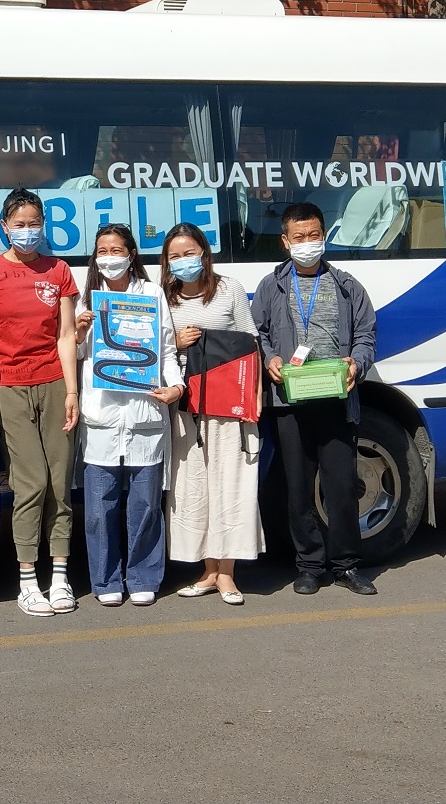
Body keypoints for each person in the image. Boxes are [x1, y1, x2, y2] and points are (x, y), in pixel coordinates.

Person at [252, 202, 380, 598]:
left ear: (324, 236)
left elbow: (366, 337)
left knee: (341, 487)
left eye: (314, 236)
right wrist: (268, 358)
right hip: (291, 401)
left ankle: (346, 565)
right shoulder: (271, 286)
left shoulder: (347, 286)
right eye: (299, 237)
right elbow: (257, 334)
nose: (308, 243)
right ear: (285, 241)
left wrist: (356, 364)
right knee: (298, 488)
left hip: (336, 398)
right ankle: (309, 565)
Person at [0, 188, 81, 617]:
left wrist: (72, 392)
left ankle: (61, 578)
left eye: (35, 223)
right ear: (4, 227)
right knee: (30, 484)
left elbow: (65, 336)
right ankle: (28, 581)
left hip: (54, 382)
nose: (28, 231)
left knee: (59, 484)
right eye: (20, 224)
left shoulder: (58, 270)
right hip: (9, 386)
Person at [73, 224, 183, 607]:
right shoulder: (86, 297)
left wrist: (176, 387)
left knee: (146, 504)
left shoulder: (151, 294)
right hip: (102, 417)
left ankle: (142, 576)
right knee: (100, 507)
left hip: (145, 414)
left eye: (116, 250)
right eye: (102, 250)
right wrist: (78, 332)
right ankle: (105, 581)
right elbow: (75, 357)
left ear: (131, 254)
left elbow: (166, 349)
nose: (109, 258)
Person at [160, 222, 263, 605]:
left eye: (190, 253)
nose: (184, 261)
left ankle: (227, 574)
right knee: (193, 487)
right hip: (186, 405)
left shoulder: (230, 289)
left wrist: (253, 400)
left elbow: (251, 343)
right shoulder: (163, 297)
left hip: (227, 404)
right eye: (175, 256)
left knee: (231, 485)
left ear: (204, 252)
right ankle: (207, 570)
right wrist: (175, 340)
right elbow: (152, 347)